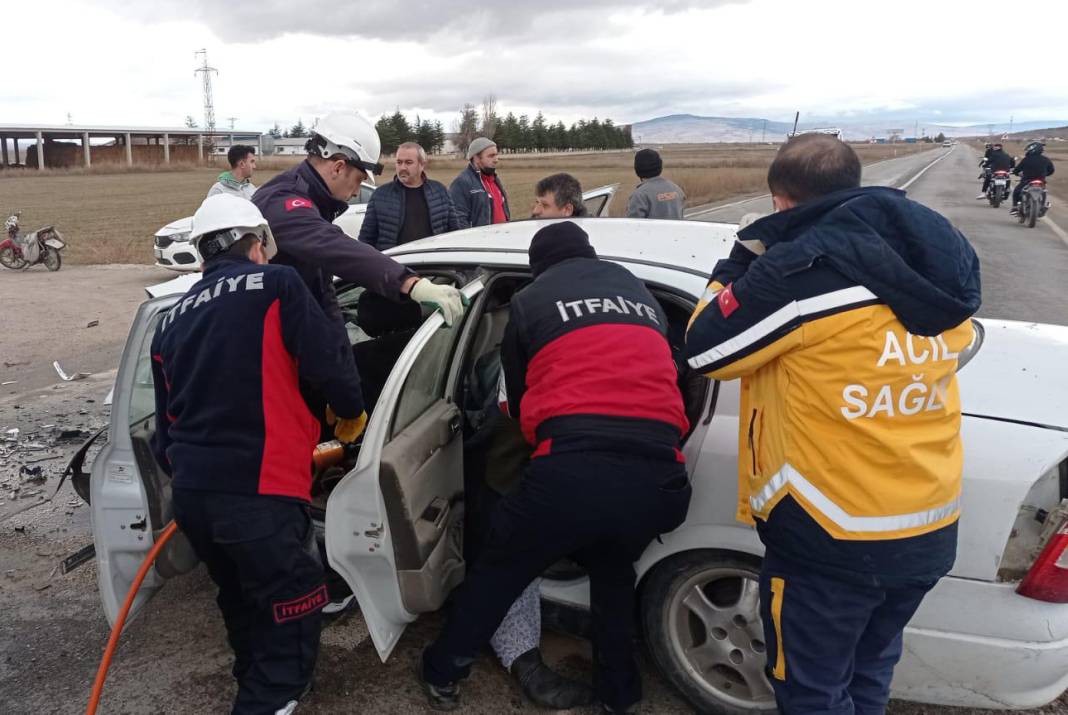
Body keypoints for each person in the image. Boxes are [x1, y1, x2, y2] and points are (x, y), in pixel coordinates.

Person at [685, 133, 981, 715]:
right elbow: (967, 340)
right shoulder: (927, 268)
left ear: (781, 201)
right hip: (928, 522)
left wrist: (739, 262)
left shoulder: (800, 278)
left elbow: (702, 350)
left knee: (811, 690)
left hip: (833, 532)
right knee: (869, 670)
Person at [419, 221, 693, 714]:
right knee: (613, 574)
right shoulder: (640, 293)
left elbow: (520, 405)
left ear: (538, 265)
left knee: (498, 572)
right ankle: (620, 695)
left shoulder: (529, 301)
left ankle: (443, 670)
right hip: (661, 480)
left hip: (572, 474)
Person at [150, 194, 368, 715]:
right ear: (257, 243)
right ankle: (271, 698)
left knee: (241, 600)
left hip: (195, 497)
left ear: (204, 253)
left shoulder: (170, 320)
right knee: (292, 608)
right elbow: (330, 360)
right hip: (261, 493)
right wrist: (350, 411)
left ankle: (254, 678)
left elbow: (164, 433)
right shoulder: (277, 285)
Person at [252, 112, 466, 615]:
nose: (357, 191)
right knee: (283, 487)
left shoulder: (310, 206)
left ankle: (311, 565)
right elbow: (337, 251)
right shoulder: (283, 204)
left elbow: (324, 299)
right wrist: (410, 283)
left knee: (301, 475)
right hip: (268, 376)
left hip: (295, 368)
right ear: (338, 164)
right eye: (357, 179)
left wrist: (344, 388)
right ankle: (298, 590)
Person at [458, 172, 594, 709]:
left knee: (503, 543)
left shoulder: (534, 299)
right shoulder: (611, 276)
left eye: (541, 205)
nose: (534, 211)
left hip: (551, 445)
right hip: (633, 449)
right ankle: (620, 678)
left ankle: (507, 655)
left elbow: (513, 398)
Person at [357, 141, 463, 249]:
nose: (402, 167)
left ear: (422, 165)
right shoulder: (380, 195)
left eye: (408, 162)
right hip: (393, 263)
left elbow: (454, 233)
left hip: (433, 262)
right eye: (399, 162)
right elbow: (366, 240)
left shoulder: (439, 191)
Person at [449, 137, 509, 227]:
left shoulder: (495, 180)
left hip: (502, 237)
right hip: (481, 240)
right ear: (476, 158)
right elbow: (458, 221)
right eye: (491, 156)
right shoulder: (461, 183)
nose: (496, 159)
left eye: (496, 155)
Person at [625, 148, 685, 219]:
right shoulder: (677, 189)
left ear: (637, 169)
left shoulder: (640, 195)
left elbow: (633, 225)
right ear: (660, 167)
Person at [1011, 141, 1055, 215]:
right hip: (1041, 181)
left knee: (1016, 192)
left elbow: (1017, 170)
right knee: (1043, 192)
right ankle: (1041, 207)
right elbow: (1051, 170)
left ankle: (1015, 208)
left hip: (1027, 180)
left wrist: (1017, 173)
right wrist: (1045, 174)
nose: (1028, 151)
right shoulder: (1046, 159)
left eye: (1029, 149)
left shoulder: (1026, 159)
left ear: (1032, 149)